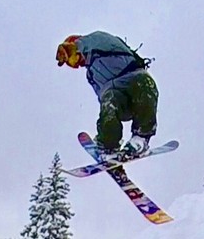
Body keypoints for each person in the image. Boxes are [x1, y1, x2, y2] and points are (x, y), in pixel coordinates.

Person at [56, 31, 158, 163]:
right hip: (121, 98)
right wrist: (107, 123)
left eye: (70, 60)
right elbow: (103, 98)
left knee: (143, 81)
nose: (74, 65)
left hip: (134, 80)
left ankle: (140, 138)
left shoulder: (98, 40)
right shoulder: (91, 74)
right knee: (109, 101)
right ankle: (109, 145)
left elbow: (90, 42)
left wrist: (74, 46)